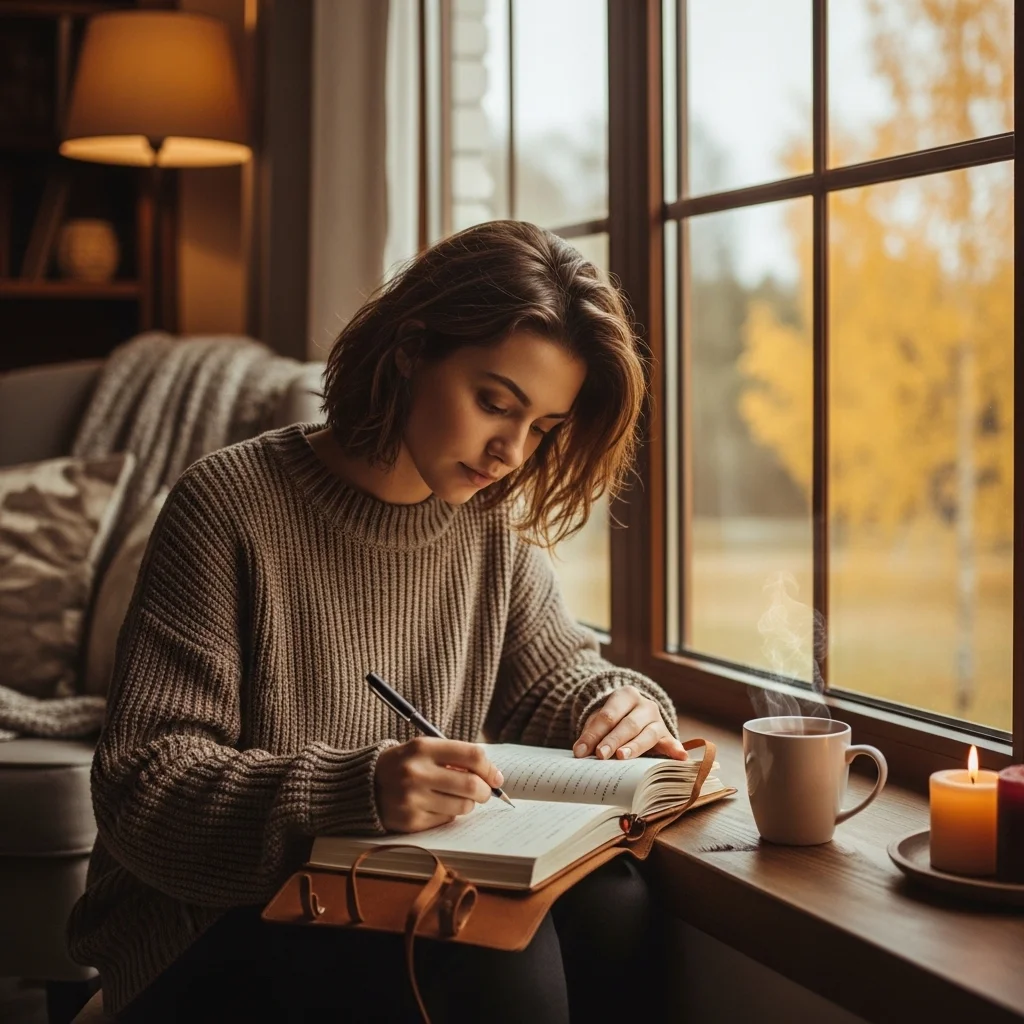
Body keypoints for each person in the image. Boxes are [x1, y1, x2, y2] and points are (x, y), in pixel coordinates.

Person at [68, 220, 687, 1022]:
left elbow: (556, 675)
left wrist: (616, 706)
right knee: (497, 963)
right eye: (494, 403)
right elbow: (143, 785)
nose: (509, 452)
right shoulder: (226, 506)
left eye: (541, 429)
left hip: (384, 895)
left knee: (616, 902)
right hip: (206, 928)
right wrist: (355, 794)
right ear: (409, 349)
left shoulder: (485, 525)